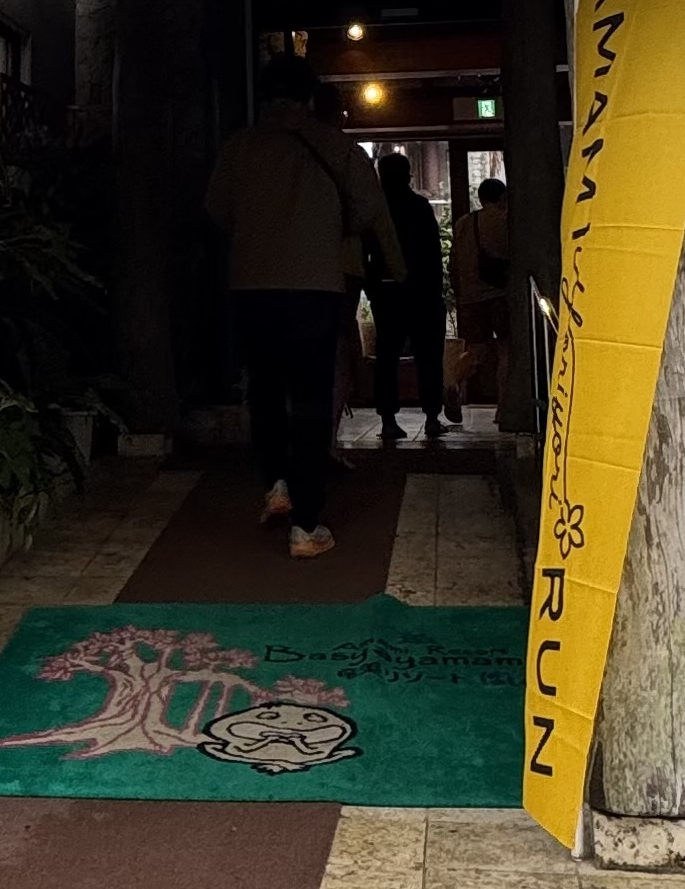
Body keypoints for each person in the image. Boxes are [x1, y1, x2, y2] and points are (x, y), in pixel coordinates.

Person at [205, 54, 403, 557]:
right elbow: (367, 213)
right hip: (314, 287)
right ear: (311, 96)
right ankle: (307, 525)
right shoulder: (339, 150)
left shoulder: (239, 148)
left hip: (251, 287)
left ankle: (276, 485)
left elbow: (218, 210)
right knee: (311, 402)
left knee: (265, 393)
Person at [371, 152, 451, 443]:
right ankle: (431, 417)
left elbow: (370, 254)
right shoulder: (419, 206)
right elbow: (432, 253)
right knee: (428, 355)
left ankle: (388, 419)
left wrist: (373, 287)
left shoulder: (377, 209)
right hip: (422, 293)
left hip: (387, 292)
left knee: (387, 357)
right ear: (408, 175)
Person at [453, 173, 514, 415]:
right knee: (505, 350)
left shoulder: (464, 223)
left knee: (475, 351)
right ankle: (503, 408)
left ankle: (453, 383)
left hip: (470, 298)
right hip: (499, 295)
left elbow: (455, 262)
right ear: (502, 197)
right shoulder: (505, 221)